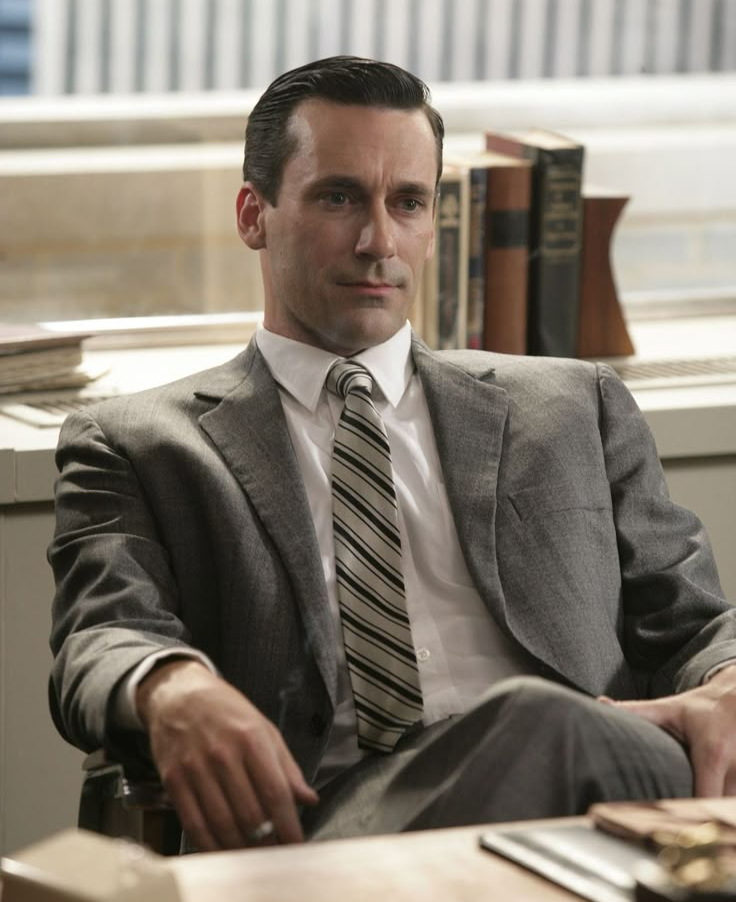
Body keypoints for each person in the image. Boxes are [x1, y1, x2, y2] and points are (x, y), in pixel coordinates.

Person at [49, 56, 736, 854]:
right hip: (337, 822)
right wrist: (173, 687)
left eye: (407, 202)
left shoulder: (573, 405)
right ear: (252, 214)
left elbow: (696, 625)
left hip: (613, 798)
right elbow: (100, 639)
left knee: (562, 729)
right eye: (340, 197)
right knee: (539, 721)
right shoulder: (140, 444)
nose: (380, 241)